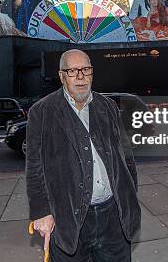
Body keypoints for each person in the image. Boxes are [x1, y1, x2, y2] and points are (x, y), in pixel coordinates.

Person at [26, 49, 141, 261]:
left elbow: (126, 157)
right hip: (69, 220)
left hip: (113, 218)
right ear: (62, 76)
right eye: (72, 71)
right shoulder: (41, 112)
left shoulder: (107, 106)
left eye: (85, 70)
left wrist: (130, 195)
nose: (80, 77)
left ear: (92, 73)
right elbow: (35, 167)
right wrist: (41, 212)